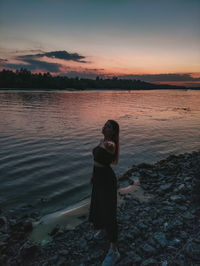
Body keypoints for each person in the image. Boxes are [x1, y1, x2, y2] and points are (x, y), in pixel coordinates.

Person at [89, 119, 120, 266]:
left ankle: (114, 250)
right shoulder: (103, 140)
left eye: (108, 126)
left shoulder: (110, 144)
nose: (105, 126)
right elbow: (97, 161)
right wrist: (93, 177)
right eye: (105, 124)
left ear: (113, 131)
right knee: (98, 206)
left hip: (107, 180)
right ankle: (103, 228)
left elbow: (111, 148)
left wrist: (110, 144)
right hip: (98, 178)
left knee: (109, 211)